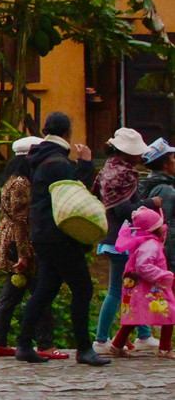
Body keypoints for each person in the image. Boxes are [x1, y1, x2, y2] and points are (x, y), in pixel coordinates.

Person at [17, 111, 109, 365]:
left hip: (42, 233)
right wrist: (87, 164)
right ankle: (84, 348)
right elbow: (75, 199)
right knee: (83, 288)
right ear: (67, 132)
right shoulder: (59, 162)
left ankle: (24, 344)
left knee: (46, 289)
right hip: (60, 234)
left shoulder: (40, 158)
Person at [0, 136, 60, 358]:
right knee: (41, 293)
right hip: (21, 245)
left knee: (12, 294)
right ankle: (45, 344)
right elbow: (21, 220)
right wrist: (24, 254)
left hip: (13, 243)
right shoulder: (22, 183)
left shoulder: (11, 180)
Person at [93, 128, 154, 354]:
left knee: (133, 287)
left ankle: (144, 334)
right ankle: (101, 340)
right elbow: (123, 209)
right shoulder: (125, 174)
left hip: (111, 236)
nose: (141, 157)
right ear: (128, 154)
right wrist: (149, 204)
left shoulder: (107, 169)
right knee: (117, 291)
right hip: (123, 240)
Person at [104, 205, 175, 357]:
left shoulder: (143, 242)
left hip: (138, 287)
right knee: (169, 313)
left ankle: (117, 345)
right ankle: (165, 348)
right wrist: (163, 274)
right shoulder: (151, 245)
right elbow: (143, 266)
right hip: (152, 287)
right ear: (155, 229)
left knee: (135, 316)